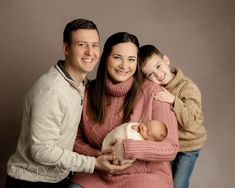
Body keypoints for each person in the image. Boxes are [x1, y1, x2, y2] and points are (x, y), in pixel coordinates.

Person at [5, 19, 128, 188]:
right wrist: (93, 163)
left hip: (57, 178)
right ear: (66, 48)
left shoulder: (79, 85)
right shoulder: (52, 90)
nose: (90, 52)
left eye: (95, 45)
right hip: (31, 182)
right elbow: (42, 150)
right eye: (82, 45)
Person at [69, 32, 179, 188]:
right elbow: (74, 139)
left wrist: (128, 148)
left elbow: (171, 147)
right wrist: (99, 156)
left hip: (145, 177)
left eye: (131, 60)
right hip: (98, 174)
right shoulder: (86, 92)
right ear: (105, 57)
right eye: (117, 57)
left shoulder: (153, 92)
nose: (124, 66)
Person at [139, 44, 207, 188]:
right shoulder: (154, 88)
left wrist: (173, 101)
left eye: (158, 66)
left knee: (178, 184)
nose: (157, 74)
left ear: (166, 60)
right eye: (150, 74)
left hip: (188, 145)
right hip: (168, 145)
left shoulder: (187, 87)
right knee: (165, 182)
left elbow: (191, 123)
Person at [101, 120, 167, 166]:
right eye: (146, 124)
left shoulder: (140, 142)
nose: (144, 127)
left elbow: (131, 153)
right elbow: (127, 127)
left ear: (150, 141)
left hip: (114, 154)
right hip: (111, 140)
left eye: (147, 131)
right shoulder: (137, 126)